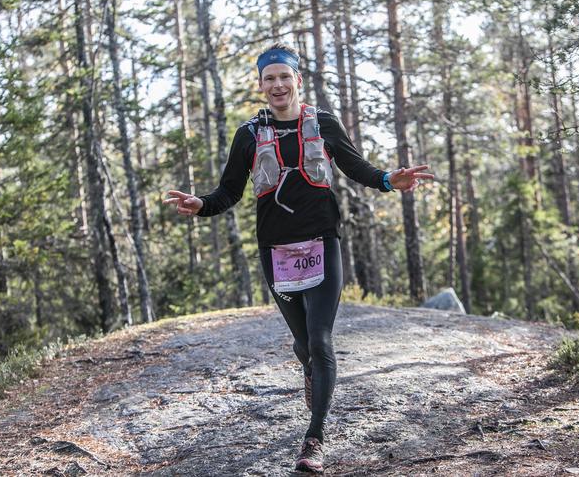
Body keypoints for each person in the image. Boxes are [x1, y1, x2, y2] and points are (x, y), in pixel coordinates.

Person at [163, 42, 434, 473]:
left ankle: (314, 440)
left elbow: (356, 167)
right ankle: (309, 368)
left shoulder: (323, 124)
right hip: (277, 251)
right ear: (260, 85)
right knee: (306, 344)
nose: (277, 85)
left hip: (322, 242)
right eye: (269, 78)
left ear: (297, 81)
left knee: (322, 340)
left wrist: (387, 179)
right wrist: (202, 205)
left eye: (283, 77)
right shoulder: (248, 135)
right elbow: (229, 191)